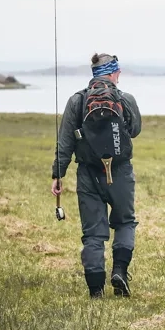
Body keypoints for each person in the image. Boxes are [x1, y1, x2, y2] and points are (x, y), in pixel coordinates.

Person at [52, 53, 142, 299]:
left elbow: (65, 142)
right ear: (115, 73)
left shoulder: (77, 101)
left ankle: (95, 291)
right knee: (124, 222)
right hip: (120, 171)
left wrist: (58, 174)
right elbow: (134, 131)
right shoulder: (126, 99)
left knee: (93, 232)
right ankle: (120, 272)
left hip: (88, 173)